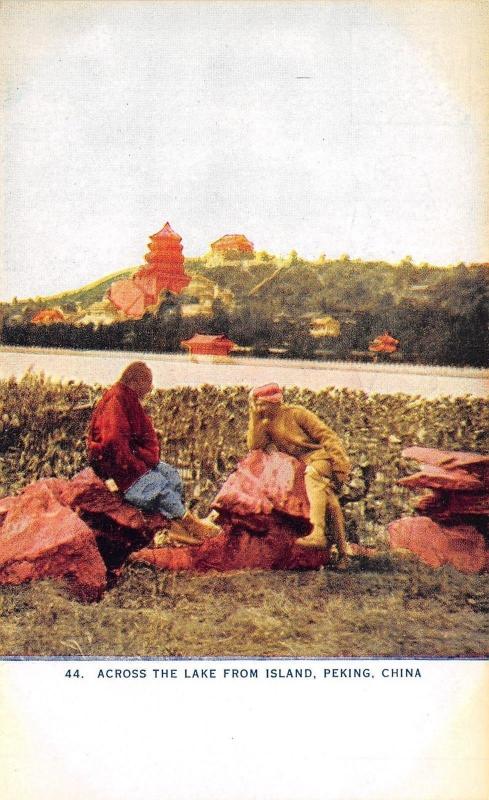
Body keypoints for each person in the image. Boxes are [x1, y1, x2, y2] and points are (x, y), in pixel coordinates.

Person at [87, 361, 220, 544]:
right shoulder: (116, 399)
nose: (150, 389)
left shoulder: (127, 397)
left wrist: (143, 456)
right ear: (136, 381)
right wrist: (136, 465)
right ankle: (191, 525)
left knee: (171, 475)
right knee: (159, 487)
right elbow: (113, 440)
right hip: (119, 466)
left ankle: (174, 528)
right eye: (148, 383)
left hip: (136, 458)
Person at [247, 383, 351, 569]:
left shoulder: (297, 413)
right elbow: (255, 445)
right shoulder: (266, 423)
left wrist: (340, 467)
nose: (261, 408)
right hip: (299, 466)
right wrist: (254, 416)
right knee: (330, 502)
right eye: (258, 405)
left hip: (320, 459)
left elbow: (328, 437)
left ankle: (318, 532)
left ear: (275, 403)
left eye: (263, 405)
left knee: (314, 476)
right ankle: (344, 554)